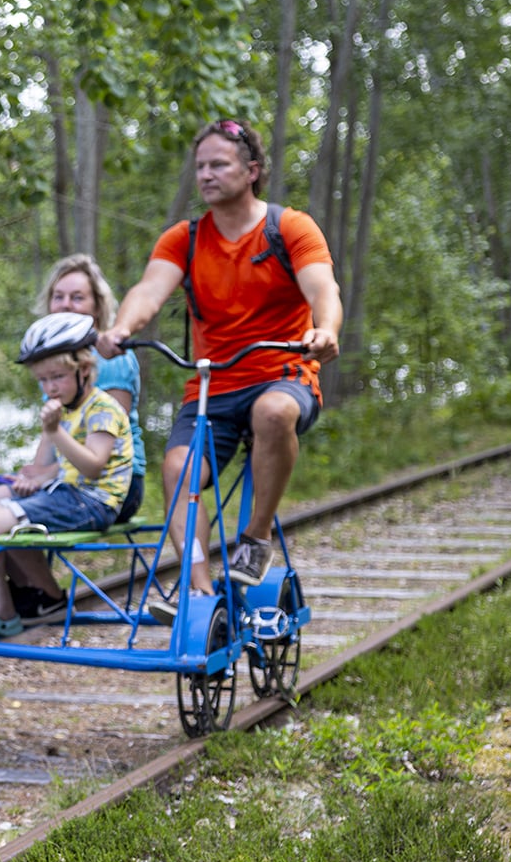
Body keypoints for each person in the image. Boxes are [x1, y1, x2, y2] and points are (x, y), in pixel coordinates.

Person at [98, 120, 341, 599]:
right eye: (200, 167)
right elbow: (148, 290)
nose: (205, 175)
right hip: (213, 386)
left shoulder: (288, 227)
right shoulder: (184, 240)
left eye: (218, 164)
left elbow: (323, 288)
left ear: (251, 170)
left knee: (272, 413)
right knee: (177, 470)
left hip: (283, 373)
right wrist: (122, 328)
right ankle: (200, 591)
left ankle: (254, 538)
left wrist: (325, 331)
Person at [0, 315, 135, 640]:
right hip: (66, 492)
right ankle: (3, 612)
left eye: (58, 377)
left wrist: (53, 430)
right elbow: (43, 463)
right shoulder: (61, 406)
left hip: (94, 503)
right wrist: (30, 479)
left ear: (85, 370)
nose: (50, 387)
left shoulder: (103, 409)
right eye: (43, 379)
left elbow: (93, 467)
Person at [4, 254, 146, 621]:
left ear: (98, 306)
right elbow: (52, 433)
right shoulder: (55, 360)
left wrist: (46, 476)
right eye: (59, 296)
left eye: (77, 297)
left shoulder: (107, 361)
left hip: (113, 482)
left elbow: (104, 446)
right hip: (68, 475)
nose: (66, 304)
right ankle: (26, 595)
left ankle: (39, 596)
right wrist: (33, 472)